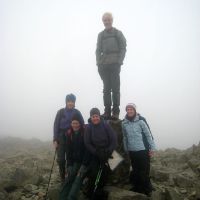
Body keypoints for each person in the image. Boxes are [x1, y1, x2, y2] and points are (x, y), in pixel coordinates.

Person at [96, 12, 127, 120]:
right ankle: (107, 111)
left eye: (108, 20)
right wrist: (98, 63)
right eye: (105, 20)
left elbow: (123, 48)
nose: (107, 22)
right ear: (103, 21)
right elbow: (98, 50)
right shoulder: (101, 35)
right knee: (106, 89)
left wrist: (119, 61)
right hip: (103, 65)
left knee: (115, 89)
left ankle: (116, 112)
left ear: (112, 20)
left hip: (115, 64)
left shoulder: (118, 33)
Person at [122, 103, 156, 196]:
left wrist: (152, 147)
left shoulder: (141, 121)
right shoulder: (124, 123)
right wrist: (126, 149)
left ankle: (146, 189)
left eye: (131, 109)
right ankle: (137, 187)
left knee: (144, 170)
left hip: (142, 150)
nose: (129, 111)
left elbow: (148, 134)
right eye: (128, 109)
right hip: (132, 151)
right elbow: (124, 137)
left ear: (135, 110)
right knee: (136, 170)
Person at [84, 108, 117, 199]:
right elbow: (87, 142)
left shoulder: (106, 125)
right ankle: (90, 192)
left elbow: (114, 140)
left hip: (107, 151)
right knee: (94, 173)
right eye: (93, 116)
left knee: (106, 172)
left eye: (96, 116)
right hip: (95, 153)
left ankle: (100, 190)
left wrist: (108, 151)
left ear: (99, 116)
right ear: (91, 118)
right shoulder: (89, 127)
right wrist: (96, 152)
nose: (95, 118)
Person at [53, 94, 84, 183]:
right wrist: (55, 139)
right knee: (61, 159)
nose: (70, 103)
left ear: (74, 103)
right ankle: (63, 177)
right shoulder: (61, 112)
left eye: (72, 102)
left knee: (72, 157)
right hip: (61, 137)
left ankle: (71, 176)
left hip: (72, 136)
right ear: (66, 102)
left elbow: (82, 123)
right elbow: (56, 125)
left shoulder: (77, 112)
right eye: (69, 101)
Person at [59, 113, 89, 200]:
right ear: (71, 124)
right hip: (75, 161)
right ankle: (62, 197)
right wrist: (69, 165)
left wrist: (84, 165)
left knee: (78, 179)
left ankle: (70, 198)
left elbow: (88, 151)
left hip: (85, 162)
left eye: (77, 123)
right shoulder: (69, 134)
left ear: (80, 123)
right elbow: (68, 152)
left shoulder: (85, 133)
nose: (75, 125)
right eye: (73, 123)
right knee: (69, 178)